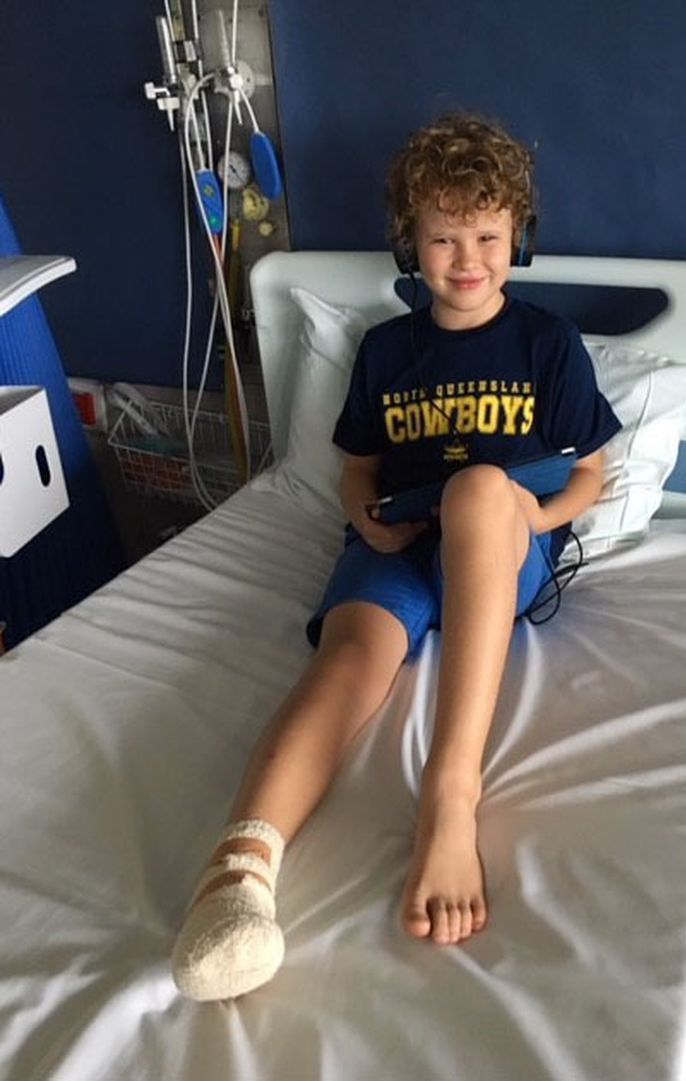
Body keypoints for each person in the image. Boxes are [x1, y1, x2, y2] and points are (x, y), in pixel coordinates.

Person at [171, 113, 621, 1001]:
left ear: (518, 237)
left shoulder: (548, 344)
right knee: (349, 657)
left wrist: (533, 513)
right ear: (411, 244)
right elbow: (359, 469)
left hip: (499, 546)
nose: (467, 258)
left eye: (487, 236)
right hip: (402, 543)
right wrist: (366, 523)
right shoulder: (386, 350)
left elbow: (591, 474)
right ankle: (238, 877)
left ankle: (449, 797)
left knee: (478, 489)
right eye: (444, 238)